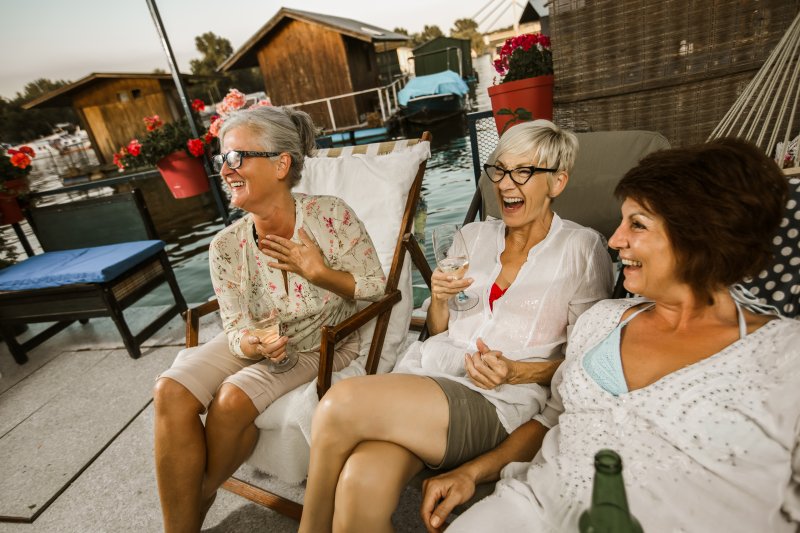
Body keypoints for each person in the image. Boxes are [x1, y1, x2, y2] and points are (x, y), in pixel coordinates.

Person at [423, 138, 800, 533]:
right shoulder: (603, 321)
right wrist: (472, 473)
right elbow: (553, 420)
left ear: (702, 237)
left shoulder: (782, 356)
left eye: (636, 224)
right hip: (531, 509)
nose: (616, 239)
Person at [299, 119, 615, 533]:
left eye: (522, 172)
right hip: (429, 374)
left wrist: (518, 370)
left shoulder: (582, 250)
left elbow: (585, 363)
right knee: (362, 482)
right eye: (499, 170)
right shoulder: (473, 236)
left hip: (499, 400)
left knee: (339, 403)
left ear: (557, 182)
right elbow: (436, 328)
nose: (504, 184)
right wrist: (441, 299)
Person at [152, 106, 387, 532]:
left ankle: (199, 493)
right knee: (169, 389)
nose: (225, 170)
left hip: (320, 341)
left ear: (281, 164)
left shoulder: (331, 216)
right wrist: (252, 344)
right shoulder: (226, 246)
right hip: (261, 340)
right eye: (222, 159)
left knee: (232, 399)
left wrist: (320, 274)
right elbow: (235, 326)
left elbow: (377, 287)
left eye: (237, 157)